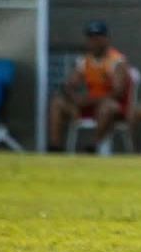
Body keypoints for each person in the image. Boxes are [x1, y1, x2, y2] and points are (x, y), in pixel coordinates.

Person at [47, 20, 130, 155]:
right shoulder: (85, 61)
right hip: (89, 104)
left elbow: (118, 92)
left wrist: (88, 101)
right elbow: (69, 85)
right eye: (91, 38)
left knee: (108, 107)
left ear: (106, 39)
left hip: (110, 106)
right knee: (57, 102)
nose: (94, 42)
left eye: (98, 38)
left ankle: (94, 147)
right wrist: (75, 99)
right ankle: (55, 148)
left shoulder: (117, 61)